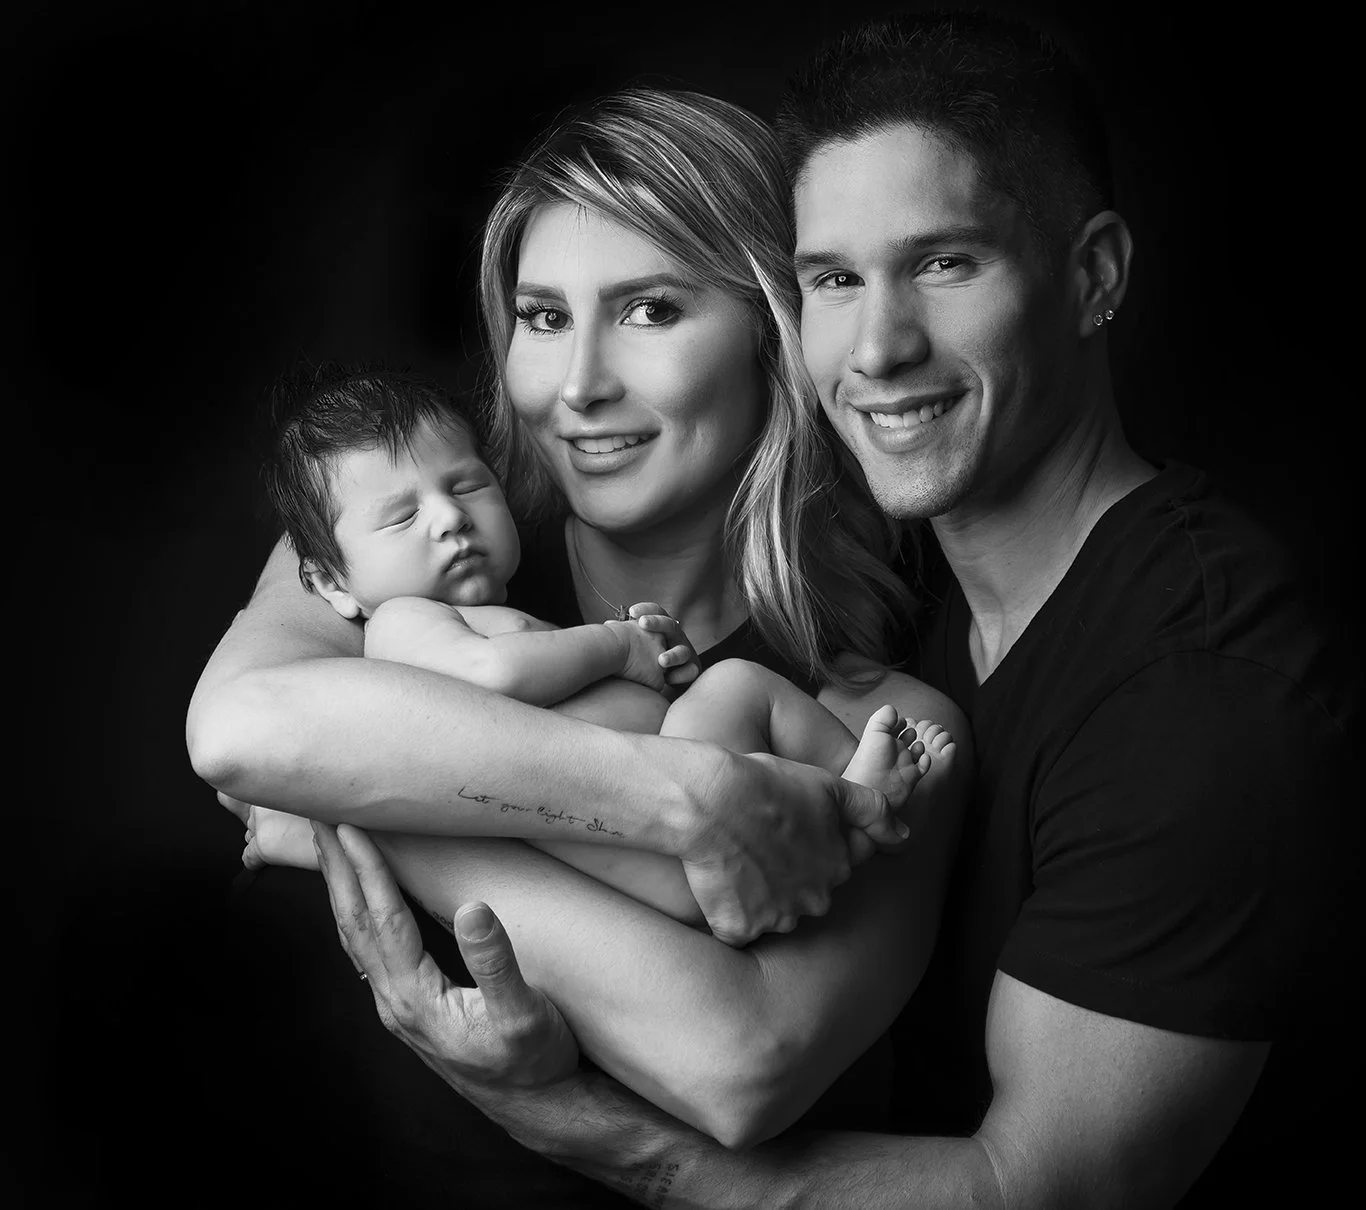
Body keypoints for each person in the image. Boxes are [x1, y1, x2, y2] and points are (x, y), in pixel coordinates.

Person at [310, 12, 1366, 1209]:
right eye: (835, 279)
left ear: (1095, 276)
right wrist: (664, 797)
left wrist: (553, 1103)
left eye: (945, 263)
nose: (879, 346)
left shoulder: (1160, 685)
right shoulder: (432, 539)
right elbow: (243, 728)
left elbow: (1030, 1188)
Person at [187, 85, 971, 1196]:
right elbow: (240, 729)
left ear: (773, 331)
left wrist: (343, 802)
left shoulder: (884, 726)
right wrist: (686, 799)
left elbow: (741, 1065)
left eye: (649, 310)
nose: (578, 387)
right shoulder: (396, 531)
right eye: (544, 318)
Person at [243, 361, 951, 930]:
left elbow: (578, 703)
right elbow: (489, 675)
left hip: (704, 812)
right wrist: (617, 645)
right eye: (402, 516)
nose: (449, 519)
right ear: (330, 583)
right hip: (659, 844)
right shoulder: (402, 622)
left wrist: (662, 672)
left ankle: (846, 788)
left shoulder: (499, 614)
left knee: (735, 687)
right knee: (737, 687)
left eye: (467, 485)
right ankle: (851, 799)